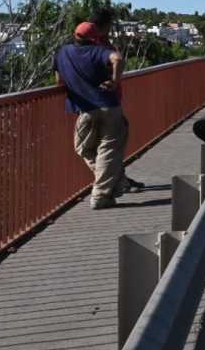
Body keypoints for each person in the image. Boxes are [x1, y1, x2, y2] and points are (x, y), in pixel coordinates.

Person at [54, 22, 143, 210]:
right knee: (106, 150)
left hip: (84, 108)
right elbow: (117, 58)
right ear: (94, 38)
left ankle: (109, 188)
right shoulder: (97, 51)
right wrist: (114, 81)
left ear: (74, 34)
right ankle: (108, 190)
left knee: (84, 148)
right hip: (108, 107)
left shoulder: (62, 52)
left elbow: (58, 79)